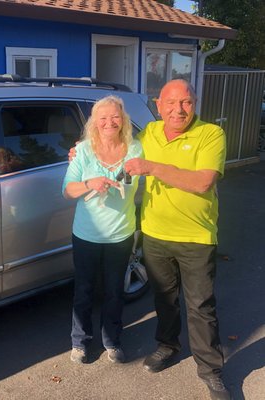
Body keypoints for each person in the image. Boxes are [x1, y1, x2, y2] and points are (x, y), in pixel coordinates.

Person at [123, 79, 230, 400]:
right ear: (159, 105)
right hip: (155, 234)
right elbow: (115, 148)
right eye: (170, 103)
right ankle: (168, 346)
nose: (177, 110)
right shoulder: (150, 133)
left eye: (185, 102)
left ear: (194, 103)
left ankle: (211, 370)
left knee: (200, 305)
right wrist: (80, 150)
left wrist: (153, 166)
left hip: (196, 236)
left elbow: (202, 182)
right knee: (164, 299)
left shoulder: (211, 134)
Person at [62, 95, 142, 365]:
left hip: (120, 233)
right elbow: (68, 190)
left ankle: (112, 339)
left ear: (123, 120)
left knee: (113, 291)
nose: (109, 122)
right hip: (86, 234)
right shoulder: (83, 150)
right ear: (95, 123)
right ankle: (80, 341)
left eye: (115, 117)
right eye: (103, 118)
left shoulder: (136, 149)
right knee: (83, 290)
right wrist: (90, 183)